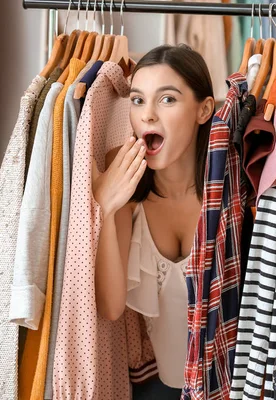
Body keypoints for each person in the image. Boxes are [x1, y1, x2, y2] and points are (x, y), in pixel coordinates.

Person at [92, 44, 215, 397]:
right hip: (156, 388)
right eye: (137, 100)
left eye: (167, 100)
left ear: (204, 109)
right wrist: (106, 206)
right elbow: (111, 307)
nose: (147, 115)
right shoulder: (130, 203)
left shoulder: (231, 197)